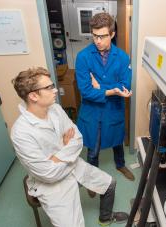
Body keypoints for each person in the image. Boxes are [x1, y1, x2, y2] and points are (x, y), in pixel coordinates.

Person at [10, 67, 128, 227]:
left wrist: (56, 156)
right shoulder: (21, 132)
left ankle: (105, 218)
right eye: (49, 87)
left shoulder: (56, 109)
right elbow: (49, 174)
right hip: (52, 186)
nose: (56, 90)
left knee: (110, 184)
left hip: (73, 166)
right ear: (33, 96)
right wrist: (65, 146)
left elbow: (78, 139)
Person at [75, 12, 135, 186]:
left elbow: (125, 86)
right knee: (93, 148)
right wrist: (111, 91)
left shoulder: (123, 57)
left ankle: (120, 165)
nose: (98, 41)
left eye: (102, 36)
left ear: (112, 34)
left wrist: (99, 88)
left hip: (113, 110)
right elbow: (85, 91)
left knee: (117, 141)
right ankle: (92, 179)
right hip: (92, 111)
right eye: (94, 36)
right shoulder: (83, 57)